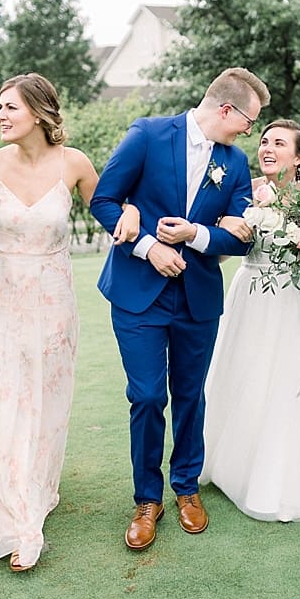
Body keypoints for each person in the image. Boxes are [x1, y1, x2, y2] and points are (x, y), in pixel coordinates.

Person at [90, 67, 269, 553]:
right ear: (227, 110)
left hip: (197, 298)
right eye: (249, 123)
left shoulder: (233, 164)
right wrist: (149, 247)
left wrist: (195, 235)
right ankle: (147, 499)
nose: (247, 133)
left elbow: (238, 234)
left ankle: (185, 486)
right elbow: (104, 199)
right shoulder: (147, 134)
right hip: (138, 292)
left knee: (191, 396)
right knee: (147, 396)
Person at [0, 73, 100, 572]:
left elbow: (111, 213)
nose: (1, 115)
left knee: (42, 402)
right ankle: (15, 518)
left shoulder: (75, 164)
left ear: (38, 112)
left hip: (52, 303)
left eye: (10, 107)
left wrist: (134, 224)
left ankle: (31, 493)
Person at [198, 119, 300, 522]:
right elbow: (225, 252)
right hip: (251, 293)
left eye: (279, 143)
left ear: (299, 156)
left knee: (284, 378)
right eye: (263, 141)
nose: (267, 147)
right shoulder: (241, 188)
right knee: (243, 371)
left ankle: (275, 469)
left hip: (295, 299)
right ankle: (234, 454)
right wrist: (222, 229)